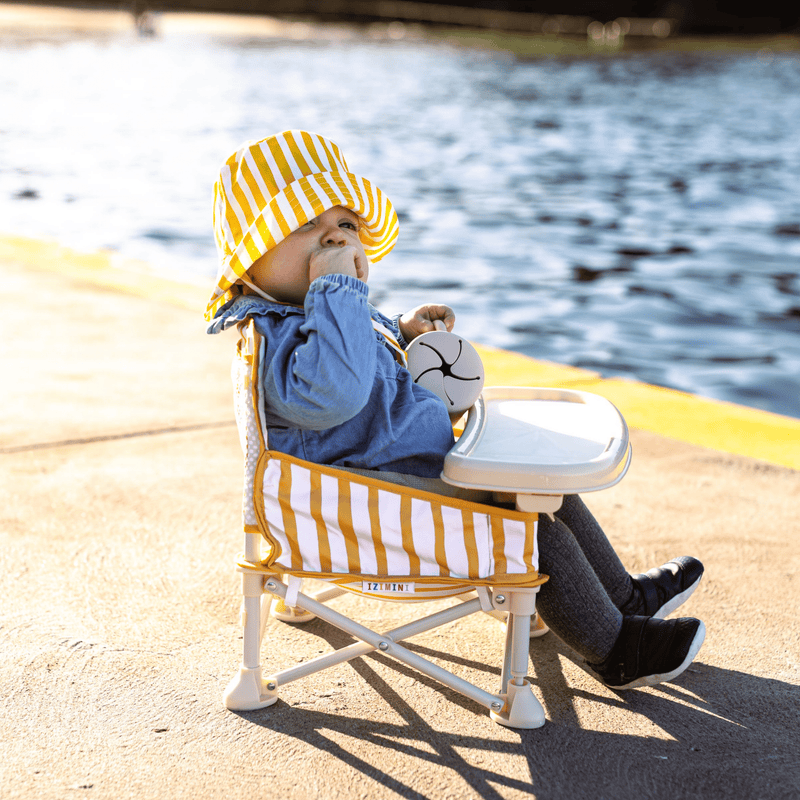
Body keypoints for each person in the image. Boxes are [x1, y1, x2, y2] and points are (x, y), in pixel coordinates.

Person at [206, 130, 705, 690]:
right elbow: (334, 394)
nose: (335, 237)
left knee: (546, 486)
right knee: (528, 528)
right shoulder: (279, 336)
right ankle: (614, 649)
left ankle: (621, 597)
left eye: (346, 224)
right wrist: (338, 290)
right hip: (363, 508)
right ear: (250, 268)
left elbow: (359, 362)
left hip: (401, 475)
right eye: (305, 225)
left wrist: (402, 332)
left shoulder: (320, 314)